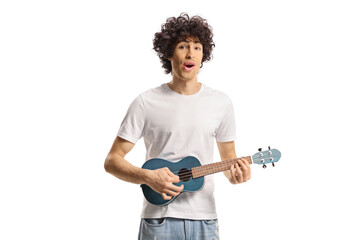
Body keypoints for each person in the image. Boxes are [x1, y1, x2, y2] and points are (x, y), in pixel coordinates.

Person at [104, 12, 251, 240]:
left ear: (203, 56)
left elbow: (228, 160)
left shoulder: (221, 103)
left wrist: (236, 176)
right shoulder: (145, 102)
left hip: (205, 219)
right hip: (158, 219)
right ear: (169, 53)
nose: (191, 53)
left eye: (197, 47)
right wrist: (147, 176)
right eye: (183, 46)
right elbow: (112, 160)